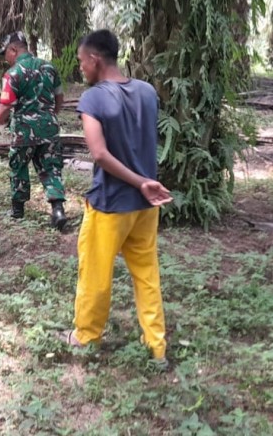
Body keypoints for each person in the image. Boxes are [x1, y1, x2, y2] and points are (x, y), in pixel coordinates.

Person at [64, 29, 173, 369]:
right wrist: (145, 184)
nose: (81, 68)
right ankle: (156, 347)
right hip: (145, 206)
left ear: (95, 60)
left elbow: (98, 154)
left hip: (111, 203)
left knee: (95, 273)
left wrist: (139, 182)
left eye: (82, 62)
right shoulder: (147, 91)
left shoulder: (94, 98)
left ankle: (87, 336)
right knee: (146, 275)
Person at [0, 31, 67, 230]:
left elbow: (5, 105)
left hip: (24, 132)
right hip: (49, 129)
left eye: (6, 54)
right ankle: (58, 211)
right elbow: (59, 97)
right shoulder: (49, 67)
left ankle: (17, 212)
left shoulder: (13, 74)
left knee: (19, 167)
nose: (5, 59)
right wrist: (50, 115)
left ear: (14, 49)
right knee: (51, 167)